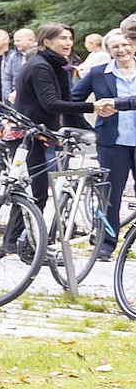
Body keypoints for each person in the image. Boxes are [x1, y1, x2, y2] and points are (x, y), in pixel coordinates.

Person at [13, 23, 92, 226]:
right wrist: (93, 107)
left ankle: (20, 240)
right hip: (31, 133)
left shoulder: (52, 63)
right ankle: (20, 241)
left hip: (38, 132)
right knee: (37, 192)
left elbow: (64, 101)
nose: (68, 43)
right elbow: (51, 104)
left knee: (34, 190)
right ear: (47, 41)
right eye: (62, 38)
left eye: (70, 38)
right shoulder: (41, 66)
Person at [72, 32, 133, 255]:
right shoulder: (99, 73)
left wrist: (117, 103)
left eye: (125, 44)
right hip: (111, 142)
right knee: (110, 195)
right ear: (108, 50)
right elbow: (74, 99)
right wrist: (88, 127)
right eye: (115, 46)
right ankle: (106, 245)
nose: (121, 50)